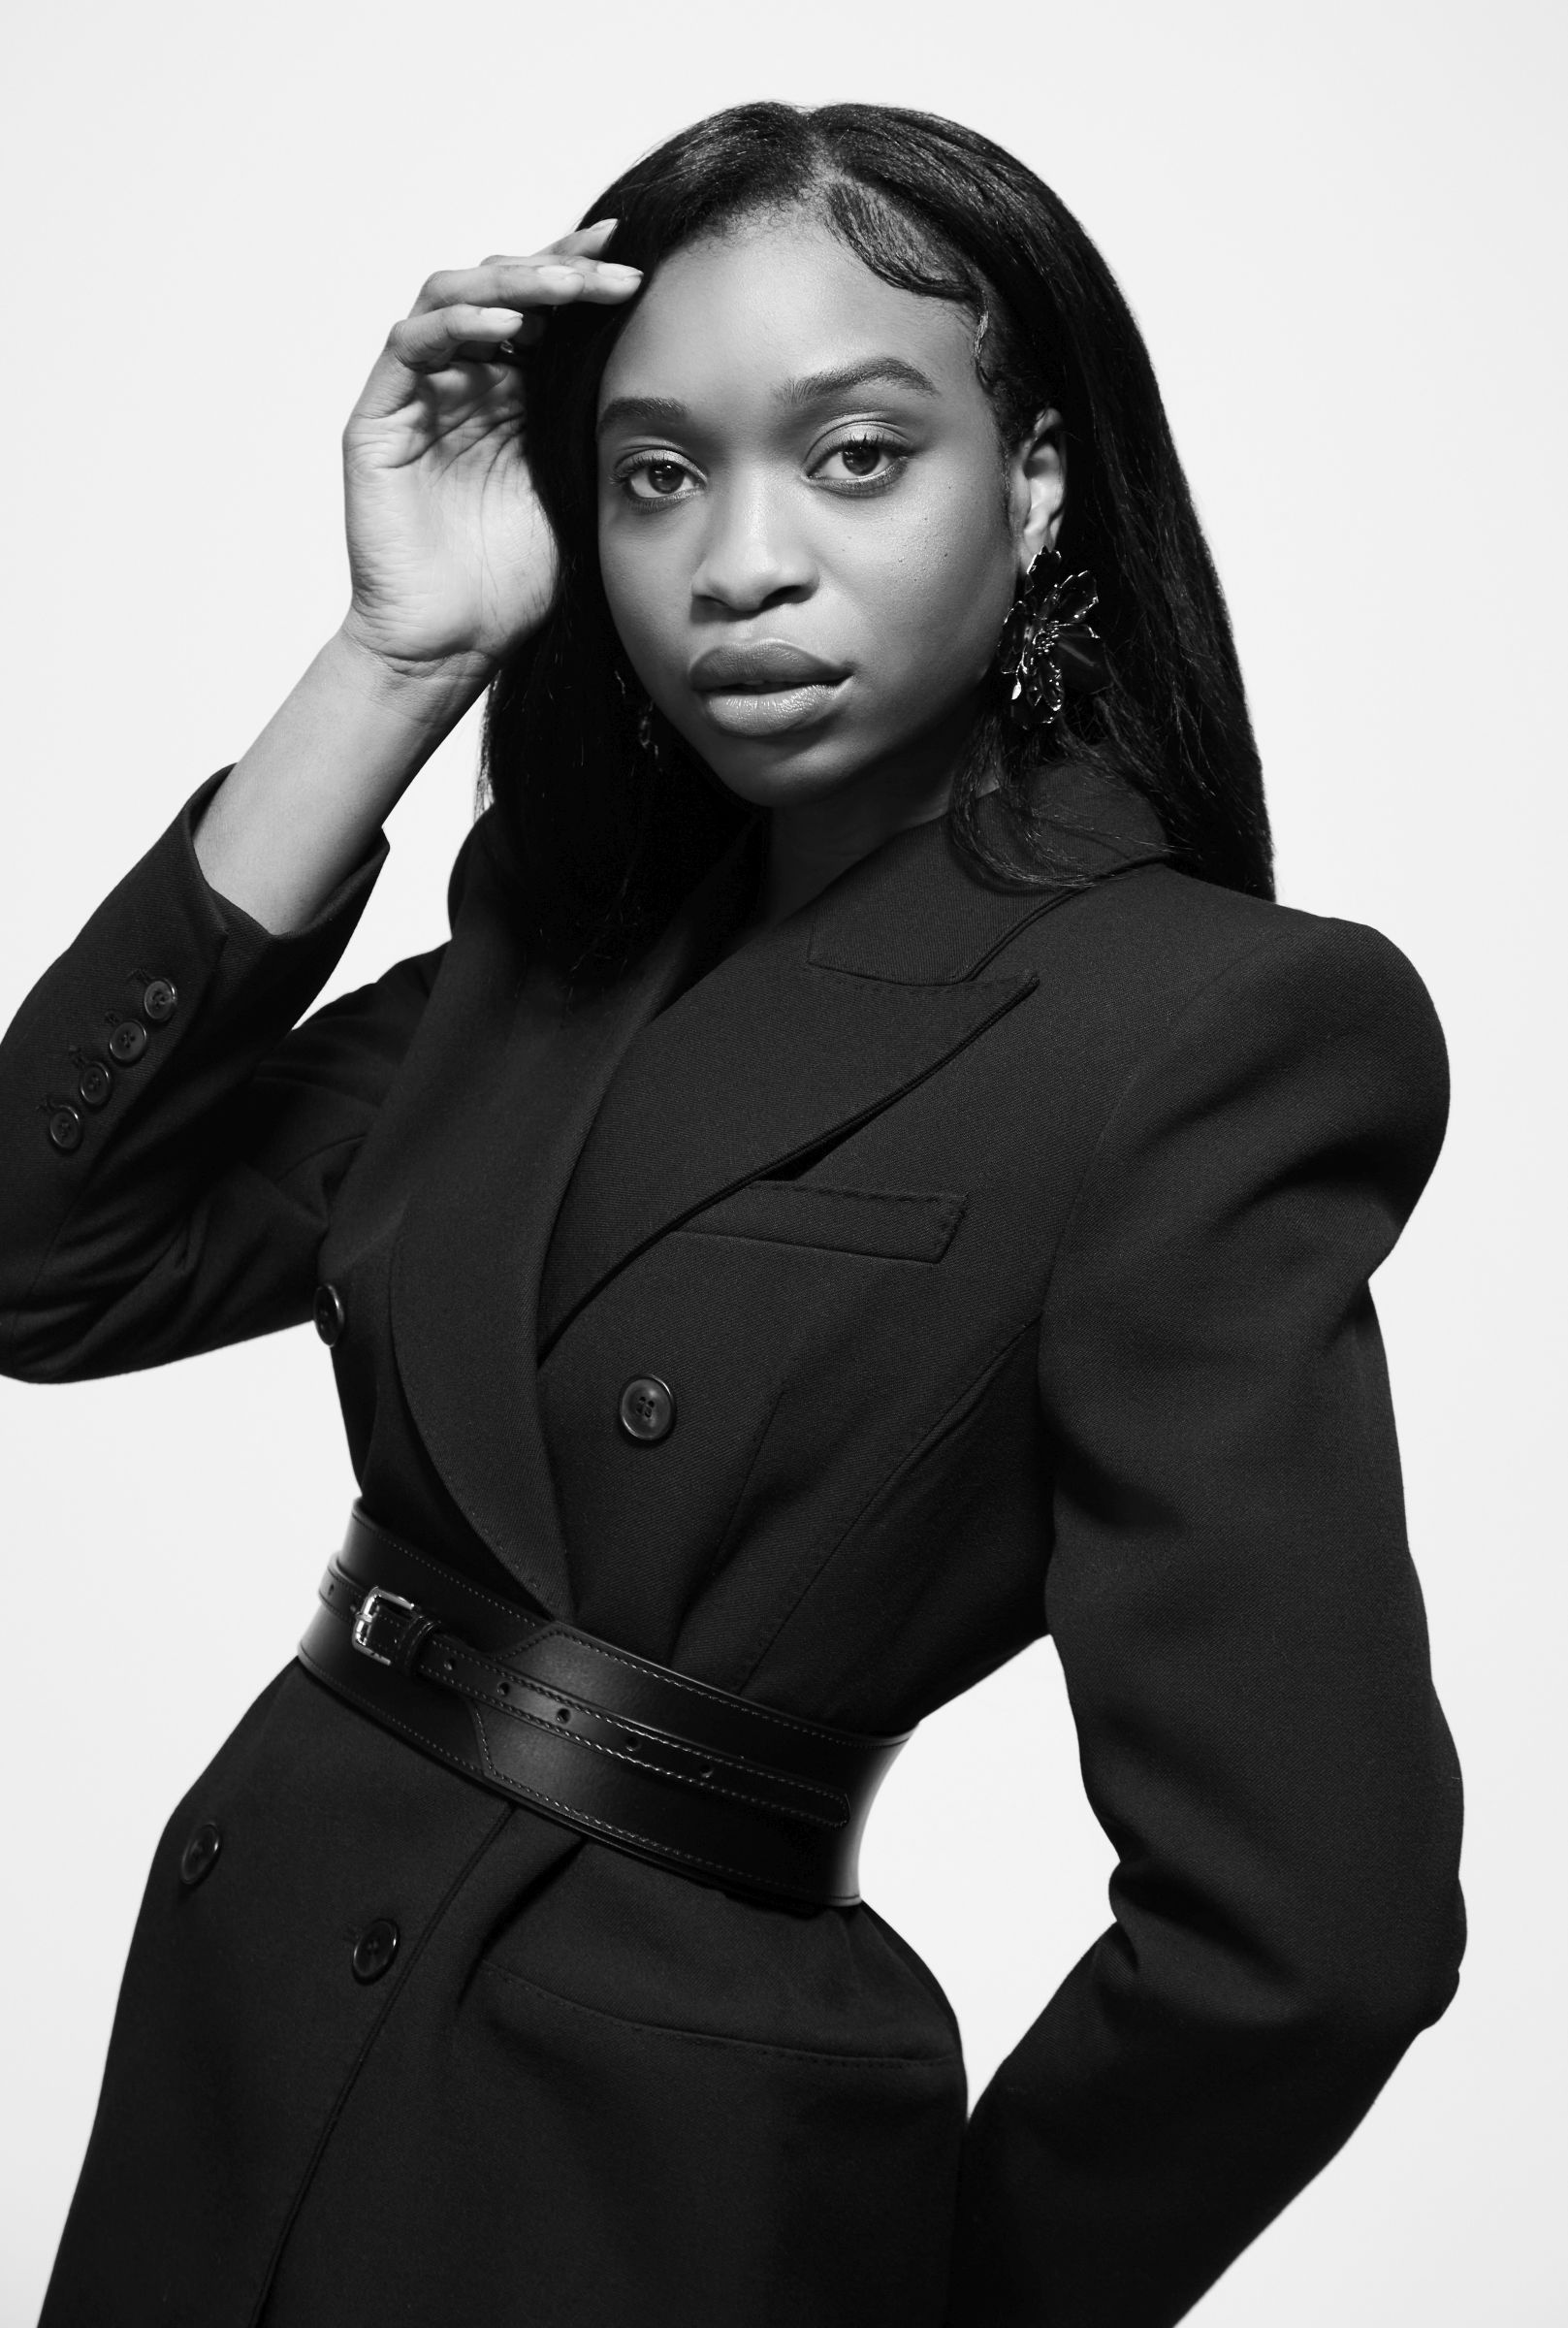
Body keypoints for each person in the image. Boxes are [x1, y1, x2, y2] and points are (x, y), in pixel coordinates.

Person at [0, 99, 1463, 2328]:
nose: (737, 563)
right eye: (655, 475)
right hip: (246, 2012)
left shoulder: (1206, 1032)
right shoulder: (558, 949)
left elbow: (1312, 1931)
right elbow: (48, 1254)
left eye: (856, 455)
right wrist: (395, 664)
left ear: (1036, 485)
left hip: (639, 2173)